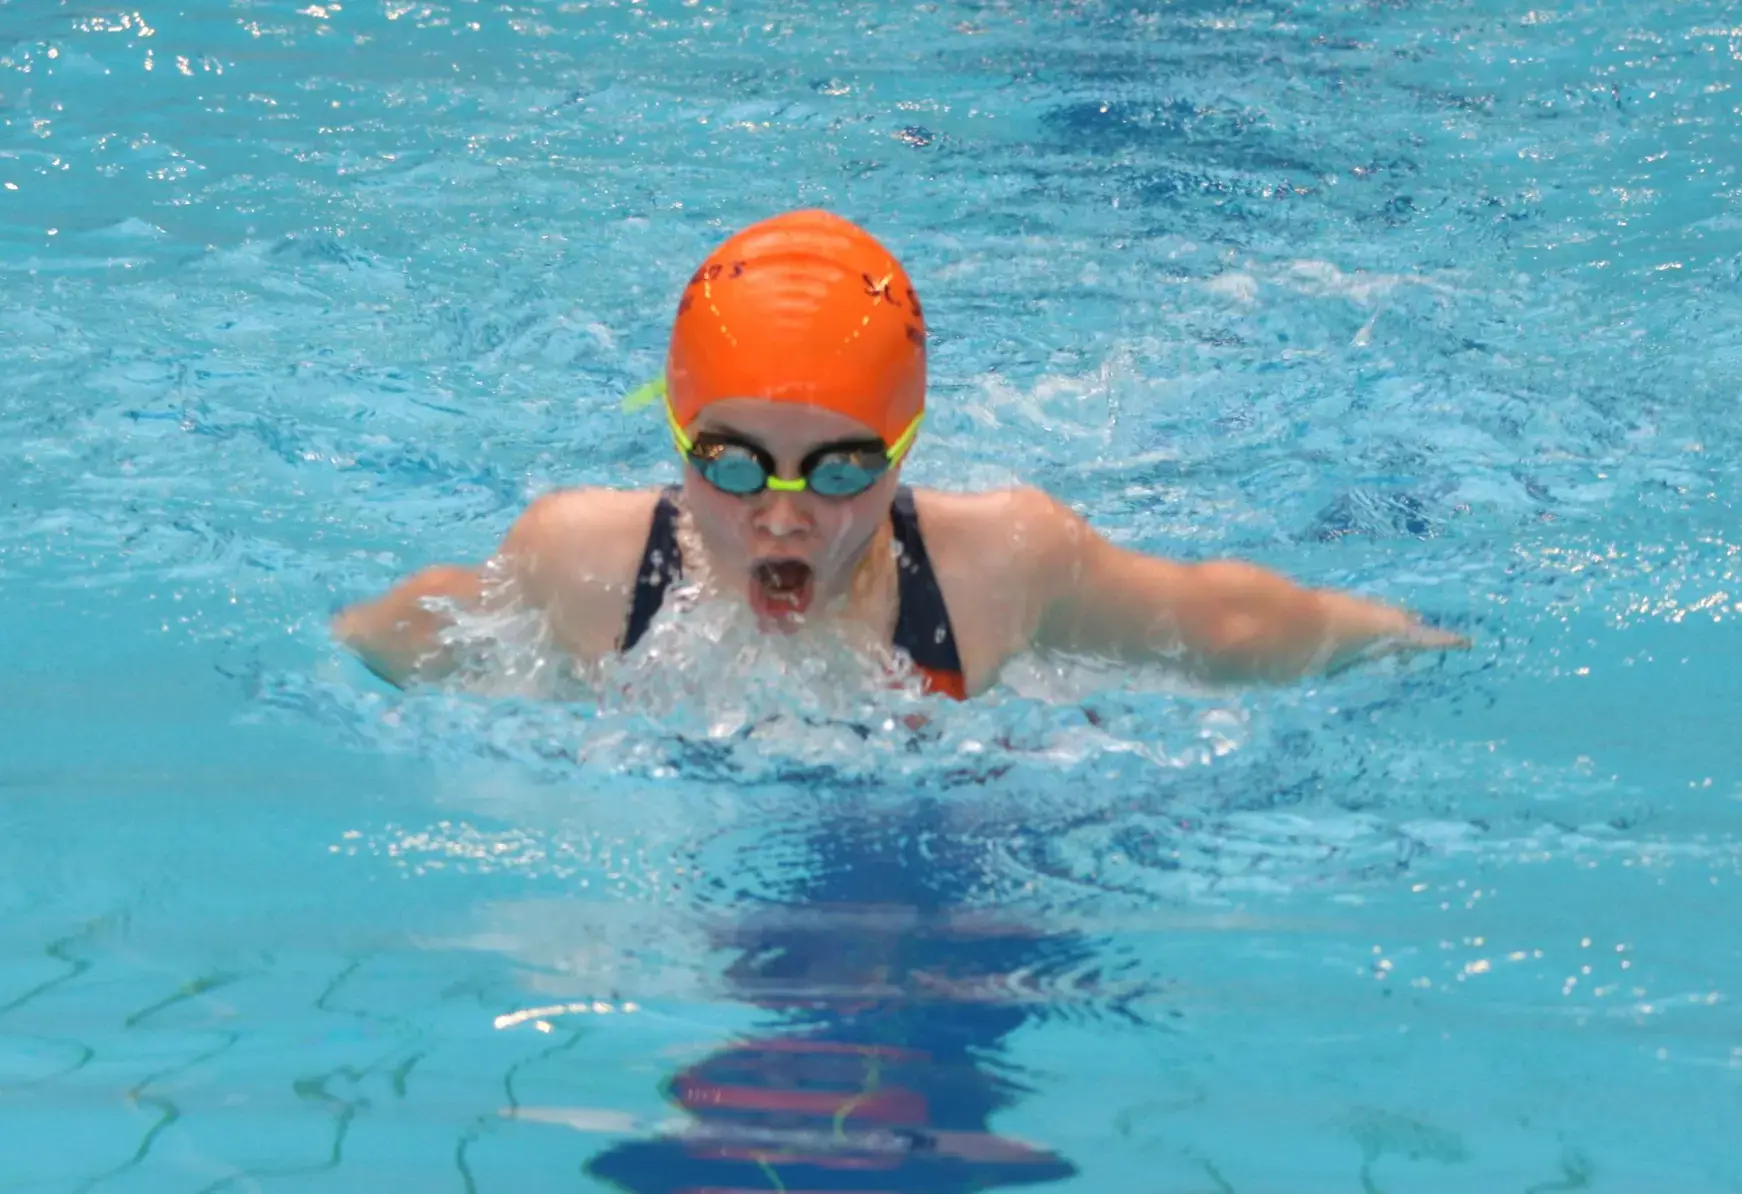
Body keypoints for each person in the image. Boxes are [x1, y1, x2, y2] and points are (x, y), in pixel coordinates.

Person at [333, 209, 1465, 700]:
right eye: (731, 465)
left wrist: (1418, 646)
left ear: (904, 454)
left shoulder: (996, 568)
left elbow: (1220, 624)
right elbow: (386, 643)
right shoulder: (577, 562)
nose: (780, 517)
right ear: (676, 442)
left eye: (835, 469)